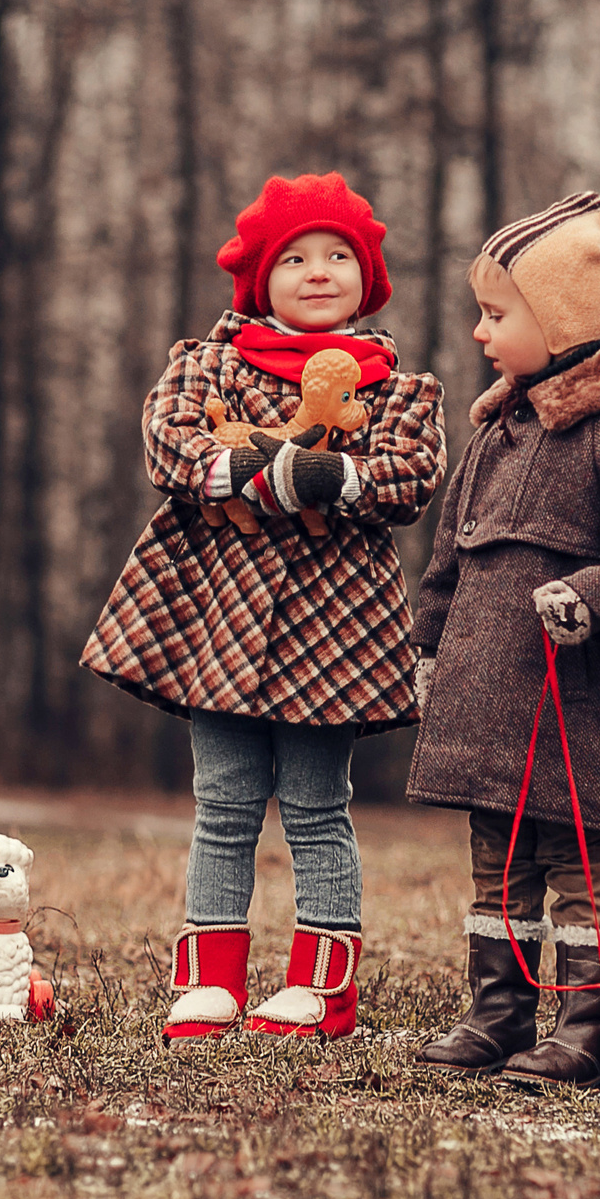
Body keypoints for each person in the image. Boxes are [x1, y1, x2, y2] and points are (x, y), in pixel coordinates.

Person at [82, 174, 445, 1042]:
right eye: (294, 258)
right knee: (225, 800)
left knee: (320, 804)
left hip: (337, 630)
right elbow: (172, 441)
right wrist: (253, 470)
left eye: (336, 257)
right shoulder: (205, 364)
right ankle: (209, 978)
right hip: (222, 624)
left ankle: (323, 986)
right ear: (258, 279)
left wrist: (334, 474)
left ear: (368, 278)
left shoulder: (399, 386)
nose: (317, 272)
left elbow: (413, 475)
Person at [408, 193, 600, 1087]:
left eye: (499, 314)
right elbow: (447, 560)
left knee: (578, 864)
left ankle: (588, 1023)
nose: (479, 332)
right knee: (496, 865)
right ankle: (498, 1012)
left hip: (579, 704)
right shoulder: (499, 429)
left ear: (560, 316)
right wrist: (427, 649)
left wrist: (592, 597)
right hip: (488, 702)